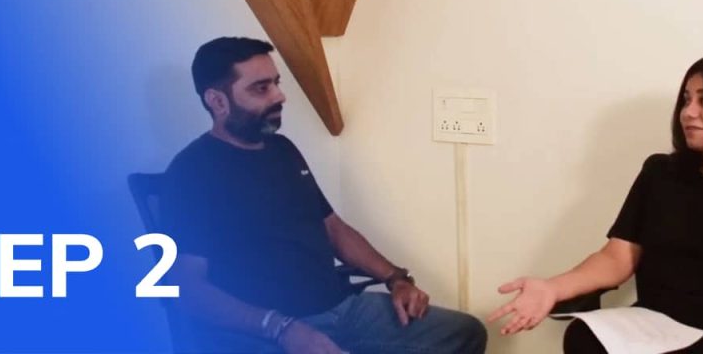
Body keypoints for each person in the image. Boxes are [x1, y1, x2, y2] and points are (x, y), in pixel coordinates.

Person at [487, 54, 703, 354]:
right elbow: (617, 257)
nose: (688, 112)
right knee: (583, 337)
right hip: (655, 327)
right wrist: (552, 287)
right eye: (686, 100)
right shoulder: (661, 174)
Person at [161, 37, 486, 354]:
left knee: (463, 333)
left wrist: (396, 279)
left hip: (339, 307)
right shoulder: (192, 172)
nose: (279, 96)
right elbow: (187, 288)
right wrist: (280, 328)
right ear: (217, 101)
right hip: (267, 330)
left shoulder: (282, 150)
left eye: (276, 83)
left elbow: (333, 228)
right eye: (261, 88)